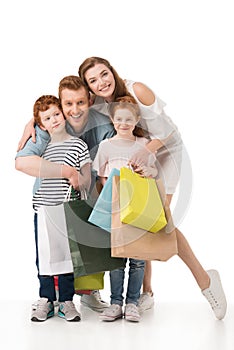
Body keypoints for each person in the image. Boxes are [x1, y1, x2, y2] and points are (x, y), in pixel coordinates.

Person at [78, 56, 227, 320]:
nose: (102, 82)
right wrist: (30, 125)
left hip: (165, 151)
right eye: (93, 80)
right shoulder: (99, 101)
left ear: (112, 71)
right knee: (138, 217)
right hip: (135, 151)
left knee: (160, 220)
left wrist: (146, 152)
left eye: (104, 74)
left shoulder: (137, 90)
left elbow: (168, 132)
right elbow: (63, 108)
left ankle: (206, 281)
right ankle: (146, 292)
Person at [15, 76, 114, 312]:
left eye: (81, 102)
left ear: (90, 100)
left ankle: (88, 292)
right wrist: (66, 171)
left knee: (88, 246)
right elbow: (22, 163)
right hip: (51, 201)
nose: (75, 110)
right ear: (60, 104)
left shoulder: (102, 126)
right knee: (52, 251)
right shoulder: (50, 124)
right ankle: (52, 297)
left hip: (90, 194)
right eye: (67, 104)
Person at [19, 95, 91, 322]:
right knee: (45, 256)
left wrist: (79, 178)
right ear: (42, 125)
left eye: (56, 114)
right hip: (43, 208)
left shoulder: (78, 144)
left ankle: (67, 301)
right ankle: (46, 299)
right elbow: (26, 163)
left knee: (67, 256)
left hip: (67, 208)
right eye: (47, 118)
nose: (54, 120)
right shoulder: (42, 147)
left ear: (63, 113)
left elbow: (86, 177)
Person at [93, 96, 158, 322]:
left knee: (138, 259)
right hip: (115, 209)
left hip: (138, 208)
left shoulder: (142, 145)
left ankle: (132, 303)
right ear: (112, 119)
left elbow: (153, 172)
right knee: (117, 258)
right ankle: (115, 303)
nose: (123, 123)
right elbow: (101, 176)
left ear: (137, 119)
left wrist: (147, 172)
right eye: (119, 119)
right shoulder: (106, 146)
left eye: (128, 119)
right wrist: (111, 200)